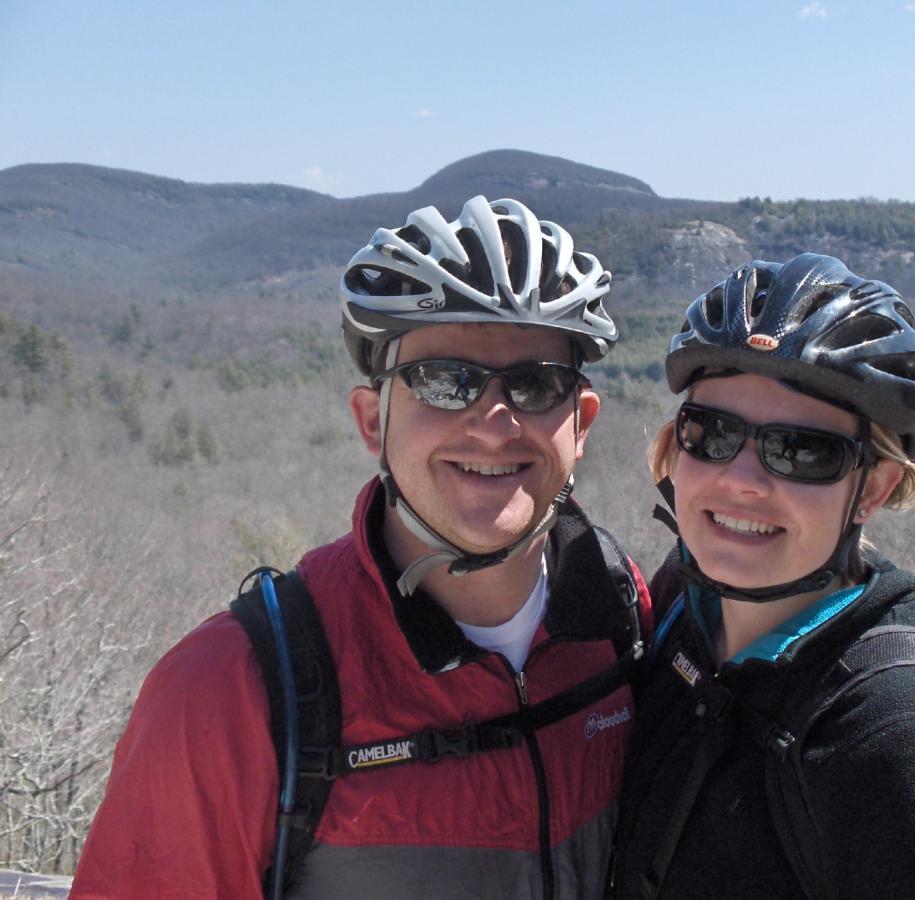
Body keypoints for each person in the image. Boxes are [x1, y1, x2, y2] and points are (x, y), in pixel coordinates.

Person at [72, 195, 651, 899]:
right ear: (372, 420)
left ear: (581, 422)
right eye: (444, 381)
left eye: (536, 384)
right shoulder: (230, 691)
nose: (495, 426)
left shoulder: (626, 618)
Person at [609, 253, 915, 898]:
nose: (740, 479)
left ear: (873, 487)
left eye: (801, 451)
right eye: (711, 432)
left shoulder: (910, 740)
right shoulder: (683, 606)